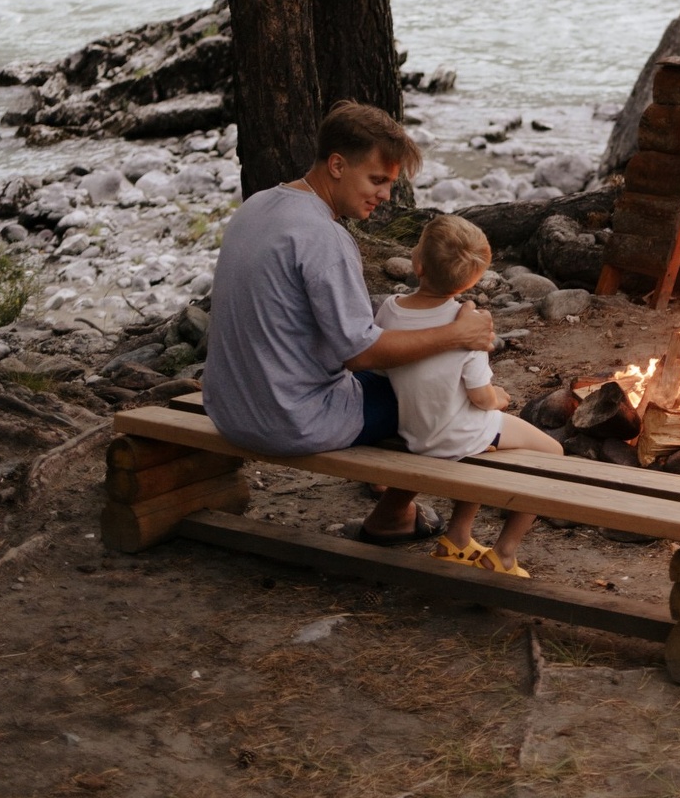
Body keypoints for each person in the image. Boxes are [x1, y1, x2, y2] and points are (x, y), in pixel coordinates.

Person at [203, 98, 493, 545]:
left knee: (404, 382)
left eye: (389, 183)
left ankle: (386, 482)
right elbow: (360, 354)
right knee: (441, 398)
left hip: (229, 406)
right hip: (289, 420)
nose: (383, 195)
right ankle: (393, 514)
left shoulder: (258, 205)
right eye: (377, 180)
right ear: (337, 165)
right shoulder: (325, 237)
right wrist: (457, 333)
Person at [378, 213, 562, 575]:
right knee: (553, 455)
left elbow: (388, 366)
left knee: (481, 448)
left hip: (417, 432)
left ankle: (458, 538)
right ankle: (505, 553)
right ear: (470, 282)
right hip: (458, 433)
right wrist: (499, 397)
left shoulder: (388, 310)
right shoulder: (468, 325)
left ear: (417, 264)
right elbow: (480, 398)